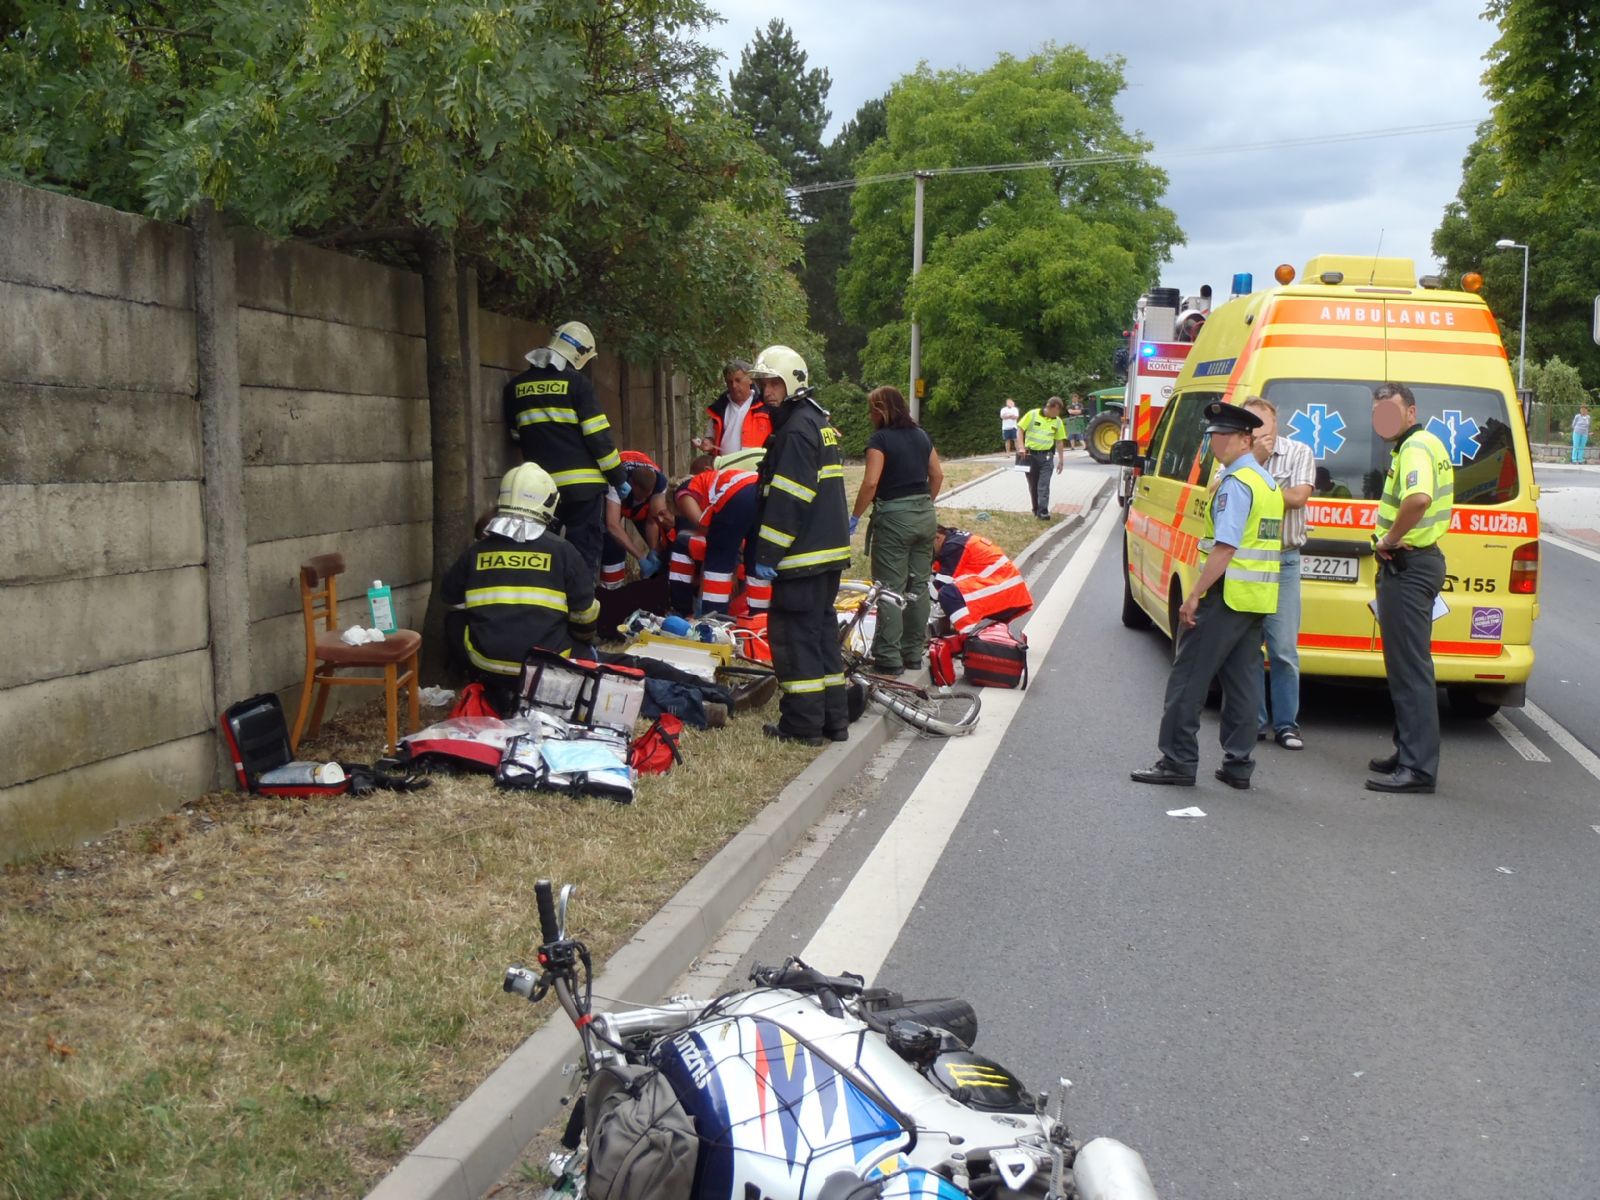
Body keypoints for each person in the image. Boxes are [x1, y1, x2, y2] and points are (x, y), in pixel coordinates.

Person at [1132, 402, 1284, 791]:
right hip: (1255, 599)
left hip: (1224, 594)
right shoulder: (1267, 483)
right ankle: (1238, 765)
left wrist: (1194, 595)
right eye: (1213, 436)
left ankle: (1177, 761)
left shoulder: (1235, 484)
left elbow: (1225, 547)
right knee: (1244, 684)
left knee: (1187, 678)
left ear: (1244, 439)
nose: (1214, 443)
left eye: (1221, 436)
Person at [749, 345, 852, 746]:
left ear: (791, 382)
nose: (766, 392)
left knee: (795, 641)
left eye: (772, 383)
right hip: (825, 554)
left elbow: (788, 499)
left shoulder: (794, 431)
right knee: (822, 635)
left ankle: (802, 725)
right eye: (763, 383)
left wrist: (766, 554)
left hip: (801, 556)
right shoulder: (817, 421)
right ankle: (834, 721)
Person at [441, 463, 600, 710]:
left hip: (486, 665)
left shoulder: (476, 551)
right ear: (548, 503)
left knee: (454, 618)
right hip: (545, 668)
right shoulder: (562, 551)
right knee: (586, 646)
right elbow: (585, 617)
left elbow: (449, 597)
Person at [1366, 382, 1454, 794]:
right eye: (1377, 412)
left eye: (1390, 410)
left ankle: (1417, 769)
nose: (1381, 418)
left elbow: (1418, 499)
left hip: (1409, 565)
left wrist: (1389, 539)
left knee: (1411, 671)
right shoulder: (1419, 445)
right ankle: (1407, 752)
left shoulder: (1416, 448)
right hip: (1417, 564)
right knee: (1404, 669)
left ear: (1411, 413)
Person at [502, 320, 626, 572]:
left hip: (539, 490)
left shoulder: (514, 388)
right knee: (583, 555)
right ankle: (582, 607)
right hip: (583, 490)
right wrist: (618, 476)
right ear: (579, 354)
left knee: (540, 554)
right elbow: (598, 437)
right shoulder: (578, 385)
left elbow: (516, 435)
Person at [850, 386, 944, 675]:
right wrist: (924, 503)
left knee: (890, 589)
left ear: (882, 410)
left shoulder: (880, 440)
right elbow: (937, 474)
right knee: (917, 586)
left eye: (871, 410)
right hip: (925, 516)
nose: (869, 416)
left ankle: (888, 658)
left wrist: (853, 517)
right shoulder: (921, 436)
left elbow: (870, 483)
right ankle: (913, 653)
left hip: (894, 518)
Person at [1243, 396, 1315, 751]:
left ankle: (1287, 724)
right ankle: (1254, 721)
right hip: (1250, 561)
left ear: (1276, 424)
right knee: (1249, 646)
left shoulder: (1299, 452)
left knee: (1283, 648)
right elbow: (1219, 492)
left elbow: (1299, 496)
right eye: (1251, 424)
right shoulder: (1237, 456)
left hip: (1284, 560)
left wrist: (1252, 481)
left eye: (1264, 422)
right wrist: (1253, 463)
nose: (1258, 430)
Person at [669, 449, 770, 617]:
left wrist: (729, 554)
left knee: (715, 563)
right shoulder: (714, 480)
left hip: (737, 495)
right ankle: (760, 620)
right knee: (755, 564)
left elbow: (703, 527)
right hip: (761, 493)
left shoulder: (682, 492)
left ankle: (713, 621)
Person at [931, 526, 1033, 634]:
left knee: (947, 593)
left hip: (1002, 589)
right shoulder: (955, 540)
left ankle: (969, 636)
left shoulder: (953, 547)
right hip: (1007, 589)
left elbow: (938, 588)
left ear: (937, 538)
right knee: (951, 592)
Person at [599, 452, 670, 590]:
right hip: (614, 500)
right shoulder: (616, 481)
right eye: (641, 497)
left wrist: (654, 550)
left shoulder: (660, 484)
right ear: (633, 485)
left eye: (647, 498)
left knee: (664, 545)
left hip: (637, 503)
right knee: (613, 544)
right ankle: (613, 590)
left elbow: (652, 521)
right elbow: (612, 525)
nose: (643, 501)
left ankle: (657, 588)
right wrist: (640, 557)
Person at [694, 359, 774, 457]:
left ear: (750, 379)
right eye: (729, 382)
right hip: (725, 468)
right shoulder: (718, 409)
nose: (734, 386)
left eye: (738, 380)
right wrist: (708, 442)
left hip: (756, 469)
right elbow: (711, 437)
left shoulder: (766, 407)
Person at [1016, 396, 1068, 519]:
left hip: (1047, 457)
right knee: (1033, 485)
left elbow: (1059, 441)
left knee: (1044, 485)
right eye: (1056, 411)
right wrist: (1021, 447)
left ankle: (1043, 511)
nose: (1057, 414)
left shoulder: (1057, 421)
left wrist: (1061, 460)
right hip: (1030, 455)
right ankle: (1036, 510)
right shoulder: (1032, 414)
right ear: (1049, 407)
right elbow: (1020, 429)